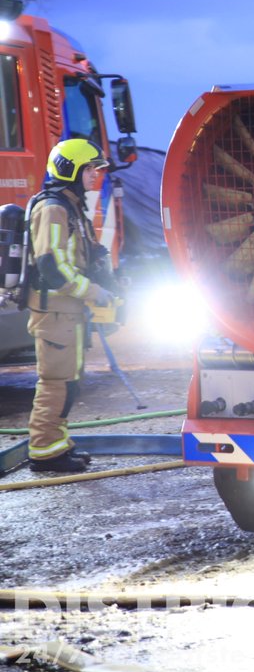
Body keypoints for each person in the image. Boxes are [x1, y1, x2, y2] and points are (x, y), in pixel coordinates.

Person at [25, 137, 115, 473]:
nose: (95, 175)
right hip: (56, 312)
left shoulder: (70, 205)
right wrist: (94, 292)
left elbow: (79, 257)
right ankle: (45, 451)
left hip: (67, 311)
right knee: (55, 382)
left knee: (68, 380)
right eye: (90, 168)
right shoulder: (54, 208)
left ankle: (57, 446)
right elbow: (53, 266)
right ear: (71, 169)